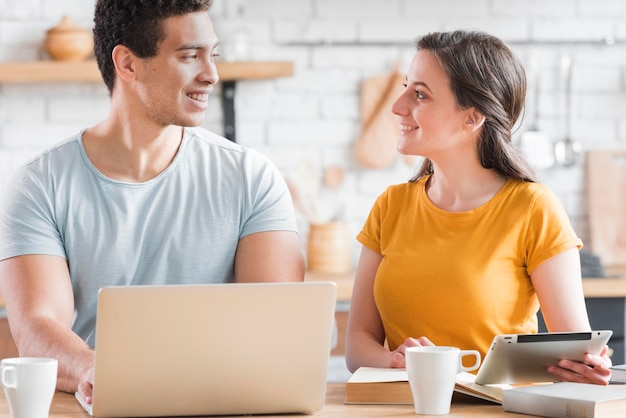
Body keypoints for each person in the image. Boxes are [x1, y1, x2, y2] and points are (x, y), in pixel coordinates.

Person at [0, 0, 304, 404]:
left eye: (213, 55)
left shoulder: (252, 177)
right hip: (102, 401)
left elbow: (274, 323)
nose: (211, 74)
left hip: (221, 402)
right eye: (189, 56)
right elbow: (38, 324)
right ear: (127, 64)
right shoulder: (39, 184)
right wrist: (99, 371)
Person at [345, 30, 612, 385]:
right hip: (408, 408)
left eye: (420, 94)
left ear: (472, 118)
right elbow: (357, 345)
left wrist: (588, 367)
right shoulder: (390, 207)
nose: (398, 106)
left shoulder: (533, 208)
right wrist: (394, 361)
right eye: (406, 87)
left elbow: (575, 349)